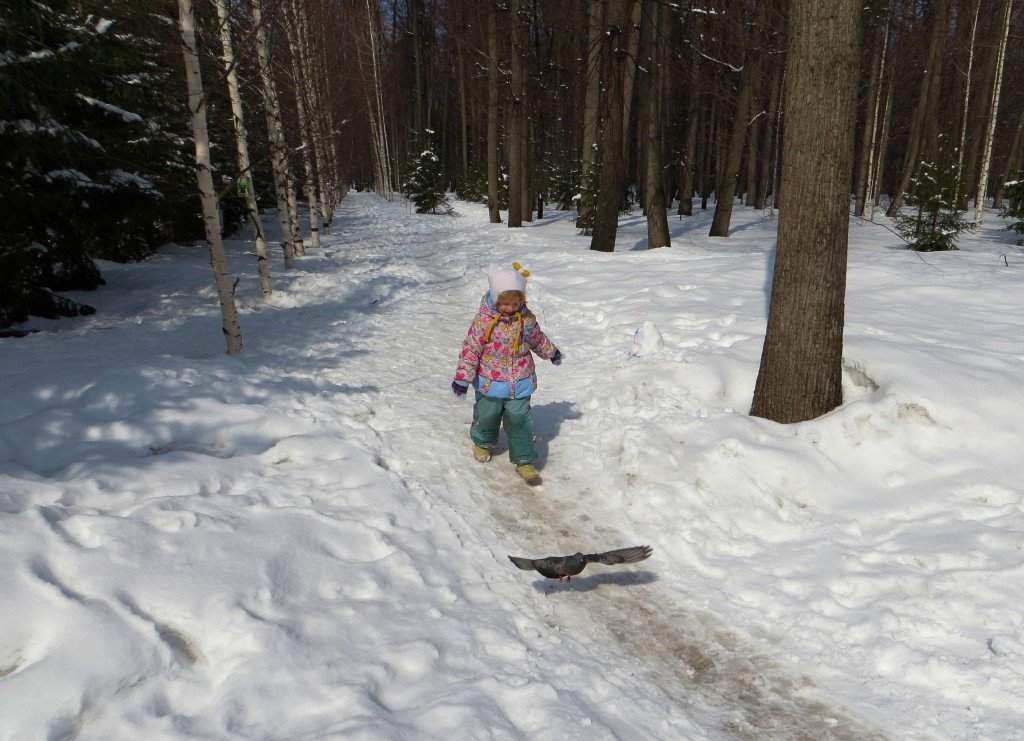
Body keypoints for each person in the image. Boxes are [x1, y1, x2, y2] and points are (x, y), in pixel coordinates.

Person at [452, 262, 562, 485]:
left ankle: (524, 459)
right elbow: (471, 348)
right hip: (489, 381)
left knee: (519, 418)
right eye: (504, 303)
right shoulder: (484, 321)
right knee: (487, 414)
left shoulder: (526, 320)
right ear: (495, 299)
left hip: (519, 380)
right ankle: (483, 441)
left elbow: (537, 339)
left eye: (515, 303)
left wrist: (551, 352)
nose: (510, 308)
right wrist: (462, 378)